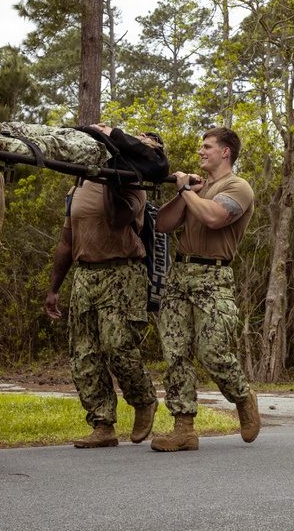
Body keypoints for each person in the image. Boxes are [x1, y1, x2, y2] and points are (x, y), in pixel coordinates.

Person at [44, 125, 163, 448]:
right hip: (84, 275)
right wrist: (55, 287)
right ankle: (102, 424)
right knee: (83, 353)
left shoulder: (133, 182)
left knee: (118, 346)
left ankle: (143, 400)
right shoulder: (78, 186)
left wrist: (111, 176)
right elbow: (67, 241)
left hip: (121, 273)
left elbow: (117, 219)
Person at [149, 127, 260, 452]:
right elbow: (163, 225)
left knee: (211, 351)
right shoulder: (198, 190)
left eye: (207, 146)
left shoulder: (237, 187)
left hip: (213, 277)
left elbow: (214, 217)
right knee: (175, 352)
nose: (201, 152)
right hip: (179, 274)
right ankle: (184, 428)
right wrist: (185, 192)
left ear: (225, 152)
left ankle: (242, 395)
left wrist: (188, 192)